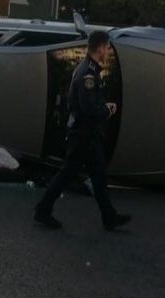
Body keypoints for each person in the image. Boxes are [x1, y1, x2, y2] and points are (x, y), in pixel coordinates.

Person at [34, 30, 131, 231]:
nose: (108, 51)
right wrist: (108, 109)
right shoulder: (88, 73)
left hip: (87, 135)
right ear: (100, 47)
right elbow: (89, 109)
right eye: (107, 47)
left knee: (98, 177)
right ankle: (43, 210)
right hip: (82, 136)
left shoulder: (90, 69)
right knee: (68, 175)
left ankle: (108, 216)